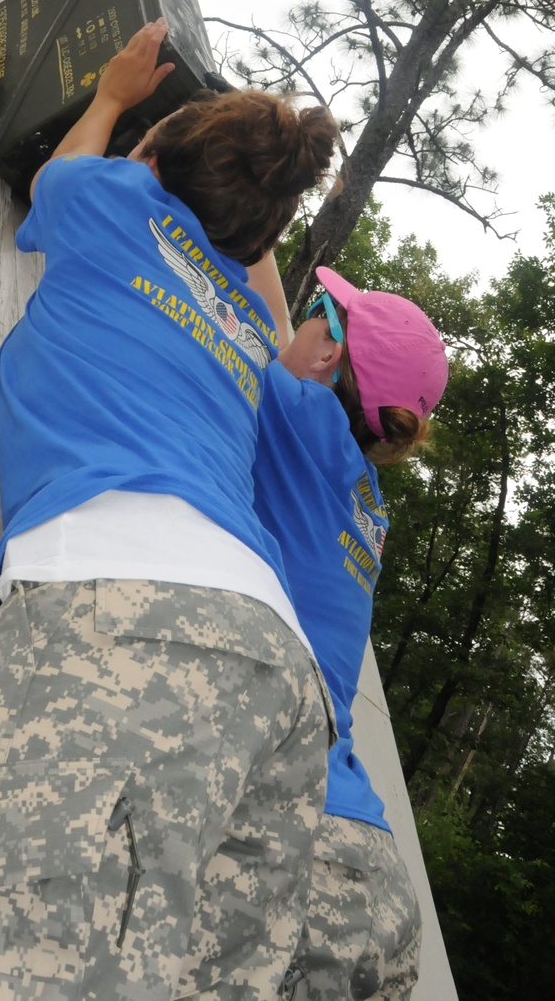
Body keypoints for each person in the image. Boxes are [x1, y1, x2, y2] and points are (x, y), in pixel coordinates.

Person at [0, 20, 341, 1001]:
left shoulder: (114, 200)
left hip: (123, 606)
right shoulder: (247, 323)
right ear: (256, 240)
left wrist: (116, 95)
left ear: (153, 162)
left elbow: (53, 178)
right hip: (278, 676)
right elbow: (254, 276)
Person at [245, 258, 449, 1000]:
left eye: (316, 313)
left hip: (299, 843)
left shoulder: (296, 418)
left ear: (329, 351)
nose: (295, 318)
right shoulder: (367, 505)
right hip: (376, 869)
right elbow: (289, 335)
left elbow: (258, 327)